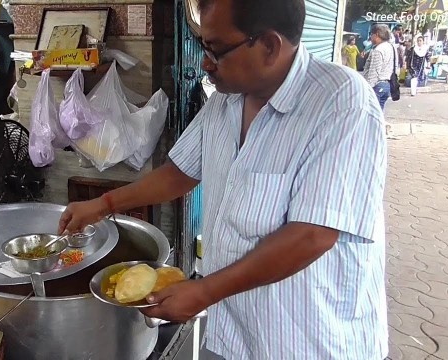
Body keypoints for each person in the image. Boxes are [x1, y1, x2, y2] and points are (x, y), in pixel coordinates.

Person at [59, 0, 388, 358]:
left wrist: (205, 291)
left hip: (311, 339)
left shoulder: (342, 104)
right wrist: (103, 205)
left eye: (216, 50)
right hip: (235, 334)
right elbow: (179, 173)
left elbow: (312, 234)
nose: (205, 63)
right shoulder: (225, 102)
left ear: (269, 46)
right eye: (204, 46)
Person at [363, 24, 396, 110]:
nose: (371, 37)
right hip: (386, 85)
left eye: (371, 34)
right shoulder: (391, 47)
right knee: (379, 114)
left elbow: (374, 72)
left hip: (377, 86)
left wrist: (367, 90)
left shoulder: (378, 50)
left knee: (371, 114)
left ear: (377, 34)